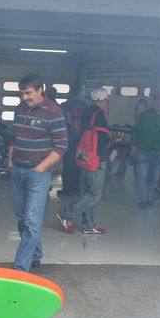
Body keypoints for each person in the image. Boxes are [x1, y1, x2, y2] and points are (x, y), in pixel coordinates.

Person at [9, 73, 68, 272]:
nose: (24, 97)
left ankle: (20, 269)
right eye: (21, 93)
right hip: (17, 169)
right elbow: (14, 136)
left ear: (40, 90)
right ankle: (35, 254)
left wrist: (40, 168)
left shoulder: (53, 111)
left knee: (32, 221)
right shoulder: (20, 108)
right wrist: (10, 160)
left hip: (37, 174)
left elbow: (61, 146)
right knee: (22, 218)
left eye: (28, 93)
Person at [56, 88, 110, 235]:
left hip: (85, 155)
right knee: (94, 194)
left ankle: (88, 225)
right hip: (96, 158)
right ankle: (66, 214)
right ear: (104, 100)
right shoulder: (98, 114)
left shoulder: (87, 112)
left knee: (88, 191)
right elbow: (102, 138)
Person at [130, 94, 160, 208]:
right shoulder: (144, 116)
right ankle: (142, 200)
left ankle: (148, 197)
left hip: (158, 153)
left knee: (154, 177)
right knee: (142, 175)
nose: (159, 105)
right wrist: (133, 146)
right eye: (158, 103)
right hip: (143, 151)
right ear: (153, 103)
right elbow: (135, 131)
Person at [58, 86, 86, 196]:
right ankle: (76, 188)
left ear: (69, 94)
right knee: (79, 164)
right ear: (79, 93)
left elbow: (60, 123)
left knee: (68, 165)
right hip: (82, 141)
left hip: (68, 140)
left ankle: (67, 189)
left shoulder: (64, 106)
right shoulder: (85, 106)